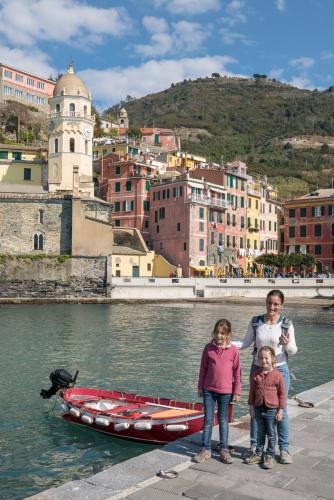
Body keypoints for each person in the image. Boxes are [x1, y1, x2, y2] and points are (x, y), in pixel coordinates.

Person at [234, 289, 297, 464]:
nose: (272, 307)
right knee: (256, 409)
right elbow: (245, 343)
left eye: (276, 304)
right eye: (269, 302)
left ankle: (284, 449)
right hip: (258, 370)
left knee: (281, 411)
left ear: (282, 306)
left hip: (280, 371)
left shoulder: (286, 324)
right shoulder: (256, 322)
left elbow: (293, 350)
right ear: (266, 302)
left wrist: (285, 345)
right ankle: (255, 448)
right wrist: (226, 343)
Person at [194, 319, 241, 464]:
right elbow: (203, 369)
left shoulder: (233, 350)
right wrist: (200, 386)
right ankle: (205, 449)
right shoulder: (208, 348)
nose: (219, 336)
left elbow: (237, 373)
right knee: (208, 420)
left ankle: (224, 450)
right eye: (217, 332)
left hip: (226, 392)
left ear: (228, 335)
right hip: (208, 390)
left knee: (223, 420)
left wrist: (237, 391)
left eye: (222, 333)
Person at [247, 346, 286, 469]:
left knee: (271, 433)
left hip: (271, 409)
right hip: (258, 408)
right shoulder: (256, 375)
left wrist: (280, 410)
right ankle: (259, 453)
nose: (264, 360)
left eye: (266, 358)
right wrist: (251, 407)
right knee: (260, 432)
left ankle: (270, 455)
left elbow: (282, 394)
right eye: (261, 358)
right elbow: (252, 392)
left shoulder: (278, 375)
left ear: (273, 359)